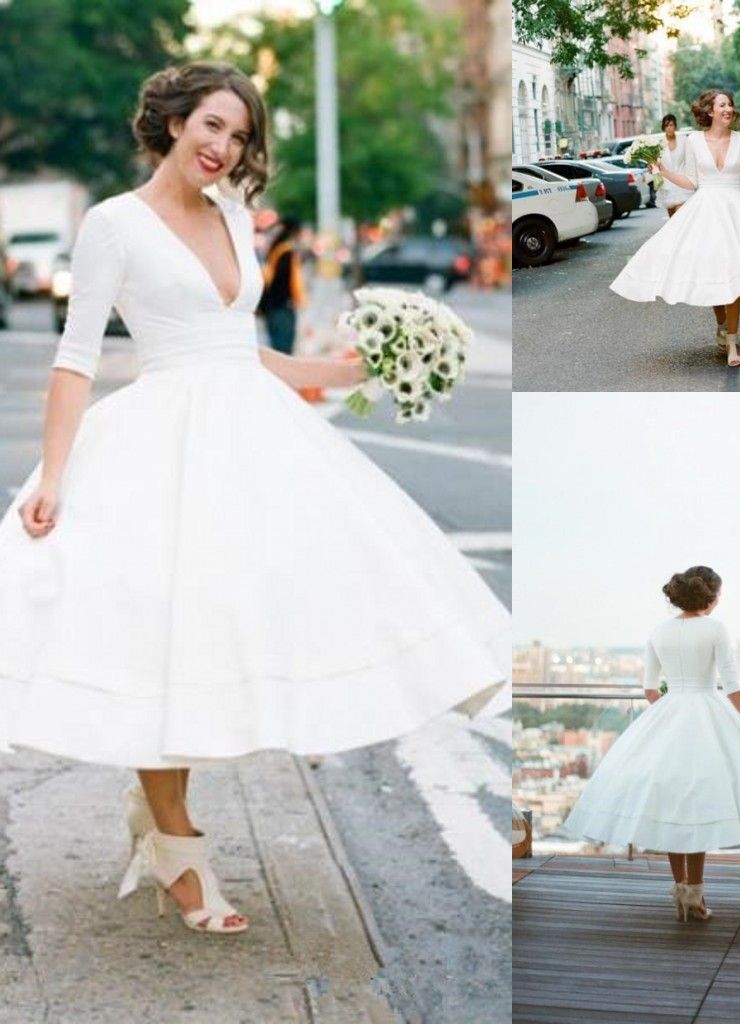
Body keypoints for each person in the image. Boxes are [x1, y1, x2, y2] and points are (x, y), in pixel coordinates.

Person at [0, 61, 509, 935]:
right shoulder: (113, 224)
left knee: (235, 632)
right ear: (169, 121)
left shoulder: (235, 214)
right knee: (159, 636)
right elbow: (76, 358)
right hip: (161, 444)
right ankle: (178, 844)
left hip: (257, 438)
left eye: (238, 134)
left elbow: (250, 353)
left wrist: (351, 368)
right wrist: (52, 474)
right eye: (211, 126)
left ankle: (163, 829)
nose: (224, 147)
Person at [563, 566, 740, 923]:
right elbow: (733, 688)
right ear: (712, 597)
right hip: (709, 711)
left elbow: (648, 688)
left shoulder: (659, 631)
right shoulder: (715, 629)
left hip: (671, 711)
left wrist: (670, 713)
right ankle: (696, 895)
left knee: (675, 807)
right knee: (699, 807)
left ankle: (681, 892)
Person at [610, 89, 740, 369]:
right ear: (709, 111)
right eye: (722, 105)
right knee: (714, 270)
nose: (728, 109)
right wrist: (662, 169)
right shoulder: (694, 141)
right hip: (705, 210)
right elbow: (691, 182)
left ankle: (733, 341)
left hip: (737, 209)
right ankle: (722, 325)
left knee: (736, 273)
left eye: (730, 105)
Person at [259, 214, 306, 354]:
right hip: (282, 308)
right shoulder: (286, 252)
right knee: (283, 351)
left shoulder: (276, 249)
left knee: (278, 350)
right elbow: (285, 282)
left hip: (273, 308)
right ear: (295, 232)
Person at [655, 114, 691, 218]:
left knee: (681, 215)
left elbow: (689, 159)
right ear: (663, 127)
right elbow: (656, 163)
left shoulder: (683, 140)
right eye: (667, 125)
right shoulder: (659, 144)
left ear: (675, 126)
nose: (669, 128)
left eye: (671, 125)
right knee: (672, 218)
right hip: (667, 184)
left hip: (682, 182)